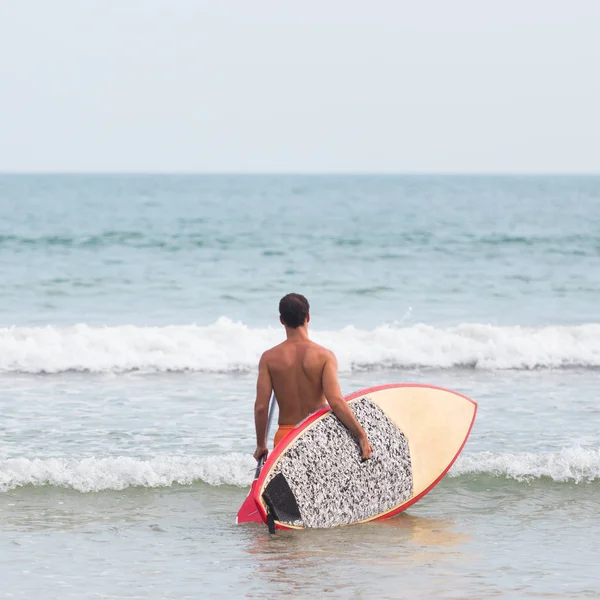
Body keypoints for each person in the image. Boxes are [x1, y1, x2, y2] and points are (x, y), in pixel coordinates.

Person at [253, 293, 372, 463]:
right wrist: (361, 435)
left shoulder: (269, 358)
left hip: (286, 438)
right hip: (317, 433)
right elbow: (336, 402)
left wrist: (261, 445)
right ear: (308, 317)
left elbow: (261, 407)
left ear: (281, 320)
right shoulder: (324, 356)